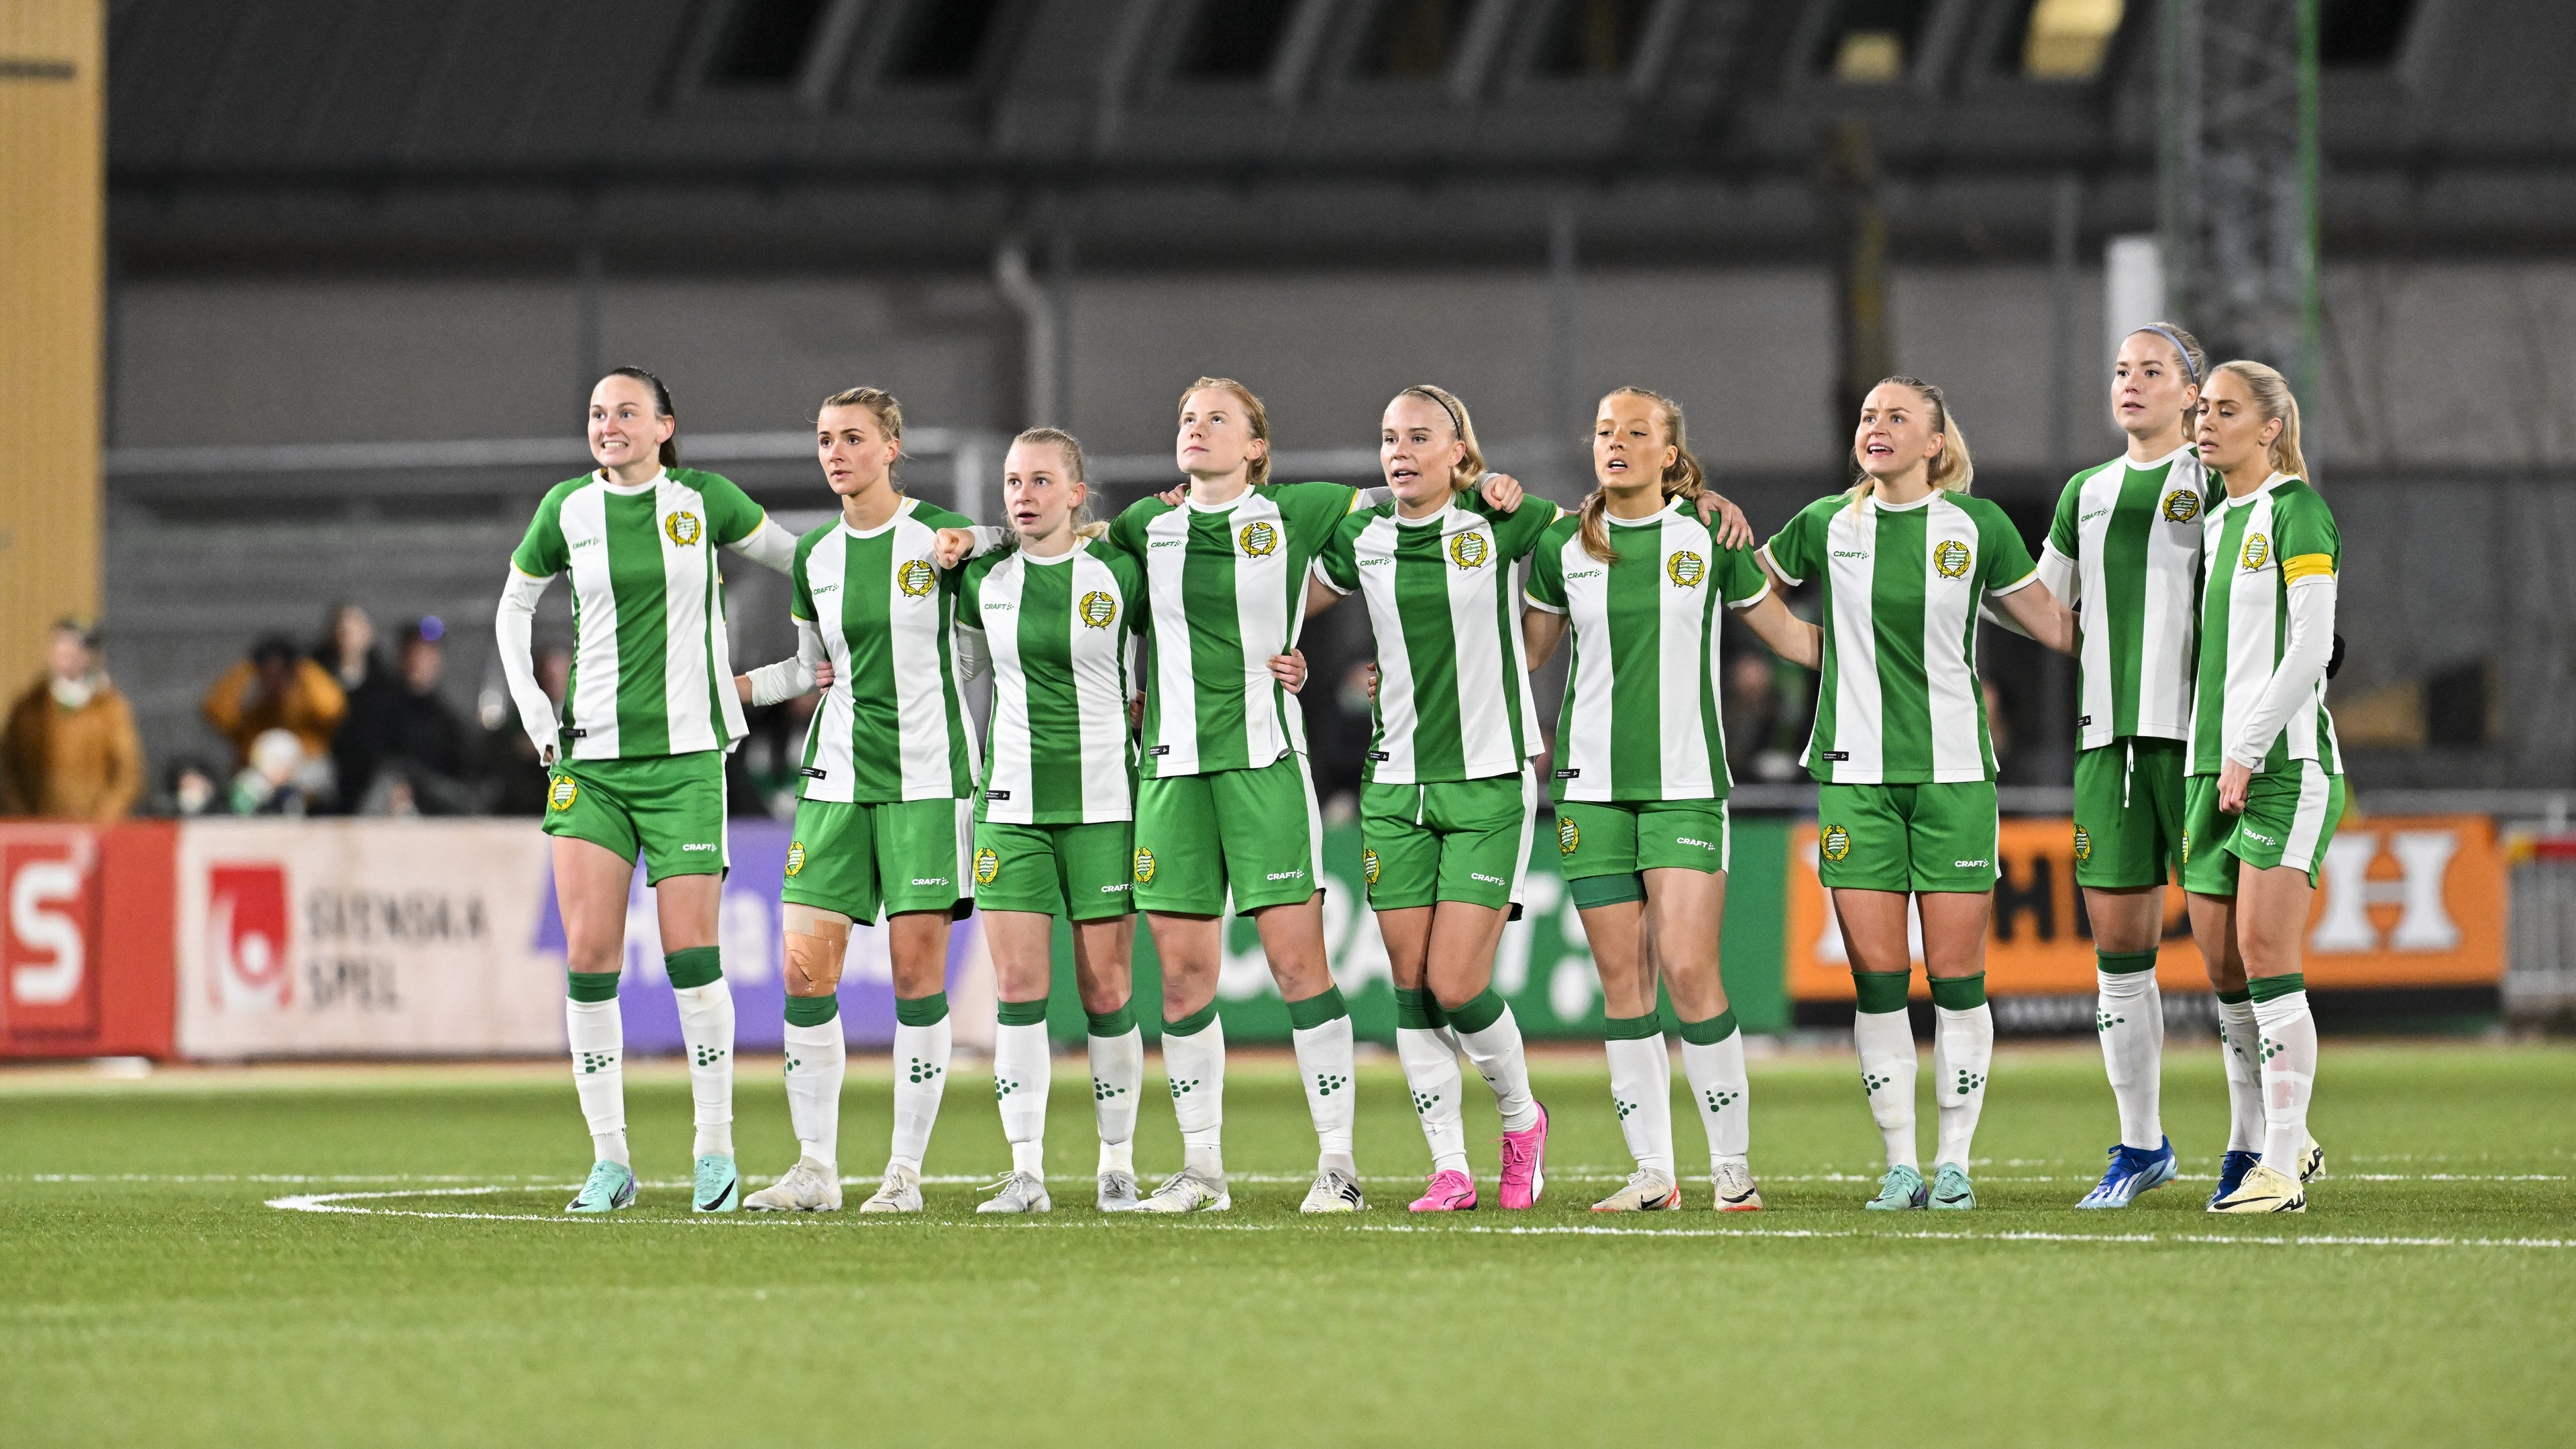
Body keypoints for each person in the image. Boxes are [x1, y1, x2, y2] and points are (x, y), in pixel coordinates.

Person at [1085, 377, 1527, 1215]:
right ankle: (1202, 1172)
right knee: (1181, 985)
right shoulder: (1147, 527)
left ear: (1257, 446)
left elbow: (1405, 495)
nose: (1196, 429)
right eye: (1186, 417)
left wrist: (1491, 486)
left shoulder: (1305, 511)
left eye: (1218, 419)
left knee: (1298, 969)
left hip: (1266, 767)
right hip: (1171, 774)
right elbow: (1077, 565)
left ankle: (1338, 1165)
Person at [1758, 376, 2074, 1212]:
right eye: (1868, 416)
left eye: (1898, 417)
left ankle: (1956, 1163)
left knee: (1959, 976)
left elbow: (2055, 625)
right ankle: (1901, 1163)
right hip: (1853, 775)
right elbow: (1742, 586)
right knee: (1877, 976)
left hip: (1955, 776)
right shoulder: (1829, 523)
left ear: (1936, 442)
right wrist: (1814, 649)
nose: (1877, 427)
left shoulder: (1977, 527)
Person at [494, 366, 802, 1216]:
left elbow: (803, 559)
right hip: (589, 766)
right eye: (597, 413)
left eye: (627, 412)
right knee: (590, 958)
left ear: (666, 426)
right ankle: (611, 1160)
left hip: (687, 763)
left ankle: (715, 1149)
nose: (608, 425)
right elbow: (513, 610)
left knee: (691, 963)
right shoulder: (567, 510)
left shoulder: (703, 500)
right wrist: (535, 713)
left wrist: (802, 663)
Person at [1522, 388, 1822, 1212]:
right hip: (1589, 789)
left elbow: (1791, 637)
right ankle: (1654, 1173)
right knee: (1626, 984)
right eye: (1604, 431)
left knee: (1689, 969)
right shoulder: (1562, 543)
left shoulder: (1708, 535)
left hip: (1687, 786)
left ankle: (1733, 1168)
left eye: (1636, 432)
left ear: (1670, 452)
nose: (1615, 443)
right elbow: (1529, 654)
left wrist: (1887, 652)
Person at [1308, 386, 1565, 1212]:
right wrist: (1280, 658)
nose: (1400, 451)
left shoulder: (1499, 521)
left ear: (1461, 453)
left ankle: (1523, 1120)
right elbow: (1277, 598)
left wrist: (1697, 499)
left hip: (1488, 778)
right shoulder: (1362, 537)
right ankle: (1449, 1166)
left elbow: (1598, 541)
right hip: (1394, 784)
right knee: (1411, 981)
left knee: (1458, 981)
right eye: (1389, 437)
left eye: (1420, 437)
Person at [733, 387, 987, 1216]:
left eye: (852, 438)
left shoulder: (942, 539)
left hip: (926, 784)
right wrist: (731, 688)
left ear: (891, 448)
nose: (835, 452)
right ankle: (815, 1167)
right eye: (823, 440)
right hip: (835, 786)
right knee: (806, 976)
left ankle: (904, 1173)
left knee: (918, 980)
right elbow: (813, 669)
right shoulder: (816, 558)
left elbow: (992, 650)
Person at [946, 428, 1169, 1214]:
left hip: (1107, 802)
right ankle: (1027, 1170)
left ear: (1077, 494)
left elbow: (1171, 653)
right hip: (1010, 805)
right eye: (1012, 482)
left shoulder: (1119, 572)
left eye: (1041, 481)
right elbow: (960, 667)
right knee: (1016, 986)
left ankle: (1116, 1162)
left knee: (1107, 988)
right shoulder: (982, 580)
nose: (1023, 495)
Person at [2025, 323, 2211, 1209]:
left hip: (2204, 747)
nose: (2130, 383)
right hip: (2109, 745)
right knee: (2122, 958)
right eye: (2120, 371)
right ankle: (2142, 1147)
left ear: (2191, 392)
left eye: (2152, 371)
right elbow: (2052, 611)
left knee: (2235, 957)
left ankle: (2270, 1142)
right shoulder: (2085, 492)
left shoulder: (2214, 480)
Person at [2187, 360, 2341, 1214]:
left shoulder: (2296, 509)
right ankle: (2285, 1136)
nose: (2206, 422)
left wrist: (2248, 748)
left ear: (2270, 428)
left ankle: (2278, 1165)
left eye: (2225, 410)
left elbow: (2312, 643)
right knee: (2225, 968)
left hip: (2282, 768)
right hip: (2209, 770)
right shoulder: (2218, 518)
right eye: (2202, 409)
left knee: (2270, 960)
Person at [2, 619, 144, 820]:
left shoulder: (108, 707)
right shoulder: (29, 707)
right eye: (61, 643)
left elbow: (129, 772)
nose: (66, 653)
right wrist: (25, 818)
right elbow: (9, 770)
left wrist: (103, 818)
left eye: (74, 645)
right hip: (39, 830)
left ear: (88, 654)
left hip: (92, 830)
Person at [339, 619, 477, 815]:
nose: (418, 660)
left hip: (432, 811)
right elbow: (358, 761)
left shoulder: (448, 723)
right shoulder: (375, 706)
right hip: (381, 807)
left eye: (427, 654)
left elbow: (462, 782)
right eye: (413, 652)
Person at [203, 635, 345, 770]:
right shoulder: (255, 715)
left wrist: (304, 667)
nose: (274, 681)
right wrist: (247, 668)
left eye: (280, 674)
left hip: (303, 774)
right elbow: (215, 711)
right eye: (268, 675)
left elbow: (332, 708)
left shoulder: (306, 705)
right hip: (259, 777)